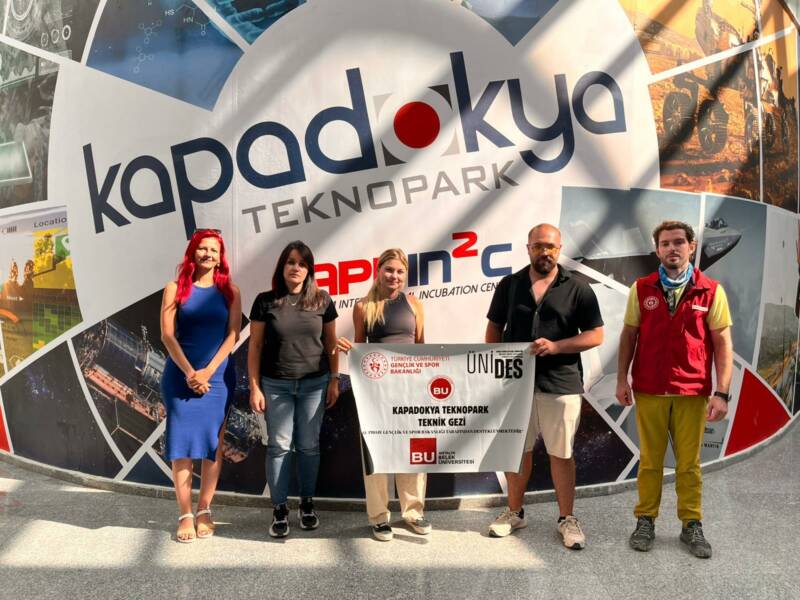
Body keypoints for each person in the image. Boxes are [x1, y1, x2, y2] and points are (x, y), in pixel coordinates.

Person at [616, 220, 732, 559]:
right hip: (650, 389)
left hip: (691, 391)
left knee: (689, 464)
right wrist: (621, 379)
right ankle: (645, 520)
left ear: (691, 247)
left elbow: (723, 344)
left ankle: (691, 524)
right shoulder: (641, 289)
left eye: (679, 242)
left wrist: (722, 392)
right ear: (657, 250)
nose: (672, 248)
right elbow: (629, 335)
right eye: (665, 243)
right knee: (650, 461)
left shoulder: (711, 291)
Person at [485, 223, 603, 549]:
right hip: (515, 385)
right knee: (516, 452)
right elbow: (494, 327)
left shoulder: (577, 288)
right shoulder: (509, 285)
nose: (544, 252)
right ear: (528, 249)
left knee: (561, 454)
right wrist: (496, 366)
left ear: (559, 249)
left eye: (550, 246)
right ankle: (514, 512)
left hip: (561, 384)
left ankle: (567, 519)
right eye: (538, 246)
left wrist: (557, 346)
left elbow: (596, 335)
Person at [336, 248, 430, 541]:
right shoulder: (363, 306)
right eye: (389, 270)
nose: (394, 276)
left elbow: (422, 348)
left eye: (400, 271)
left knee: (412, 451)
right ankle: (379, 517)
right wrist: (350, 350)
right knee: (375, 452)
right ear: (378, 271)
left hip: (410, 390)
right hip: (376, 393)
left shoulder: (414, 304)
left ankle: (413, 512)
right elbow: (361, 351)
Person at [248, 241, 339, 538]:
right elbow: (255, 346)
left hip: (315, 384)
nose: (296, 268)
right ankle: (279, 508)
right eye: (290, 262)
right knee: (279, 446)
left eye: (302, 263)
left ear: (309, 269)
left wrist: (334, 379)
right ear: (282, 266)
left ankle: (307, 504)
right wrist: (254, 387)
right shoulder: (265, 301)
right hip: (276, 386)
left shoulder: (322, 300)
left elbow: (331, 344)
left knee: (309, 446)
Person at [160, 229, 241, 543]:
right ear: (193, 252)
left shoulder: (231, 291)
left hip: (218, 378)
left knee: (212, 445)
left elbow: (232, 335)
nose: (208, 254)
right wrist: (191, 373)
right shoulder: (174, 289)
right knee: (181, 446)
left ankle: (204, 509)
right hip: (180, 377)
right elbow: (167, 336)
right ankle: (185, 514)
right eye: (203, 249)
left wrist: (208, 372)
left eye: (214, 250)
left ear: (221, 258)